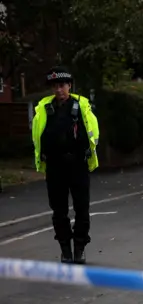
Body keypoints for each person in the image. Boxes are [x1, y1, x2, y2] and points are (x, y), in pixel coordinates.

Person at [31, 66, 100, 264]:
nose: (58, 90)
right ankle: (65, 249)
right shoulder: (44, 109)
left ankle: (79, 247)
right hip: (55, 166)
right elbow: (37, 134)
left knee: (82, 208)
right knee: (59, 211)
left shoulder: (81, 107)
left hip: (77, 164)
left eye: (62, 85)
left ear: (69, 86)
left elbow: (93, 131)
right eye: (55, 86)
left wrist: (89, 149)